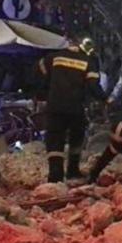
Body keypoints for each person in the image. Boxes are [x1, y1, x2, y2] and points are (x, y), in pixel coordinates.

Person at [38, 38, 106, 183]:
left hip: (55, 106)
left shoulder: (53, 58)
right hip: (75, 108)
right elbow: (94, 86)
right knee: (76, 139)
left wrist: (45, 92)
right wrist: (106, 100)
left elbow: (39, 75)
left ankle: (55, 175)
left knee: (55, 139)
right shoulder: (88, 62)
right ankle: (73, 172)